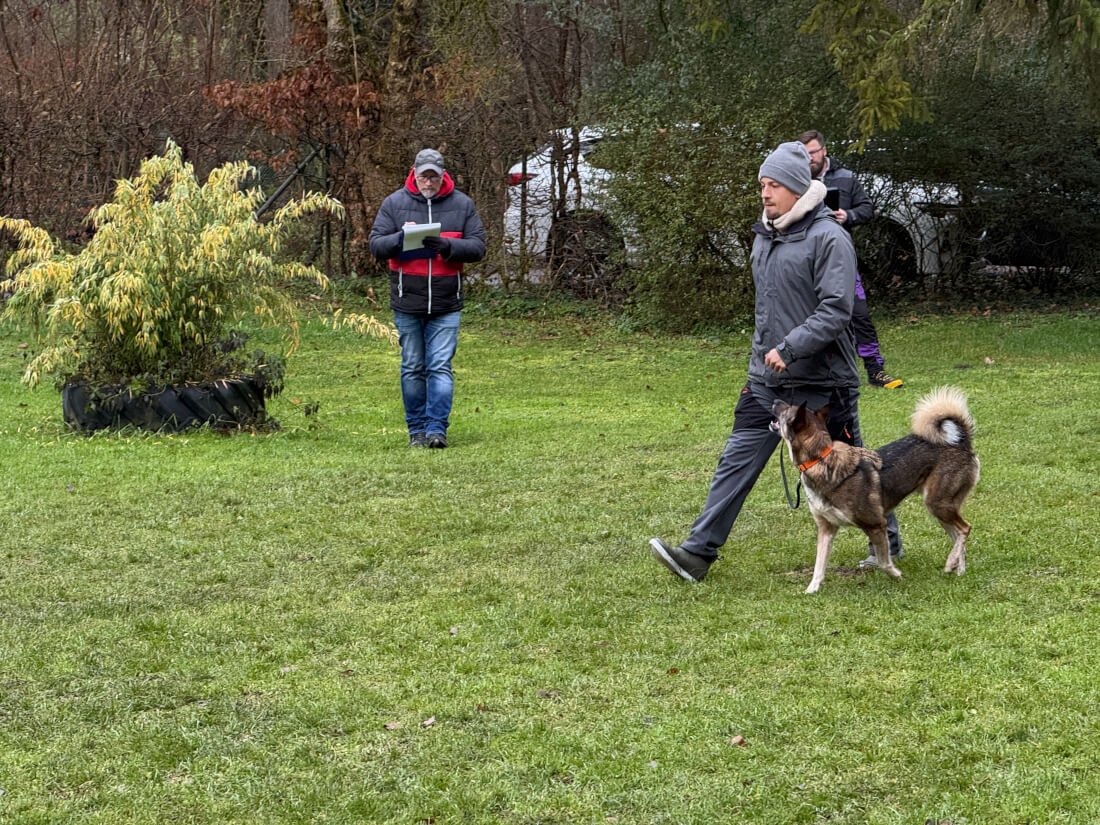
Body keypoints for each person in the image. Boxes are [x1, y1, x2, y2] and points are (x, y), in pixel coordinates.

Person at [649, 141, 902, 582]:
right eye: (762, 184)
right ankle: (696, 554)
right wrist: (761, 363)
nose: (765, 193)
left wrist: (789, 348)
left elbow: (837, 309)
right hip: (767, 381)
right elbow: (766, 311)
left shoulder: (829, 237)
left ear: (798, 188)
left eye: (775, 185)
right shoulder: (765, 235)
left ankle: (886, 543)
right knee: (736, 461)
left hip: (823, 383)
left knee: (853, 469)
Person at [369, 148, 486, 449]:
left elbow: (478, 247)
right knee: (412, 367)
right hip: (407, 300)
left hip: (447, 302)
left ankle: (437, 430)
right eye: (424, 177)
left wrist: (448, 246)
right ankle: (417, 431)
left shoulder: (462, 204)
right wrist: (400, 238)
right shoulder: (394, 203)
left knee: (440, 366)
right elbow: (376, 245)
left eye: (434, 177)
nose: (429, 182)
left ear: (443, 176)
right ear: (414, 174)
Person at [798, 129, 903, 390]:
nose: (809, 159)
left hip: (840, 259)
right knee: (806, 316)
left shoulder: (846, 178)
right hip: (806, 260)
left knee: (859, 314)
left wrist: (849, 216)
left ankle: (875, 371)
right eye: (804, 154)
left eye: (813, 152)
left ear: (824, 150)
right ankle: (808, 374)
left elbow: (866, 208)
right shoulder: (795, 179)